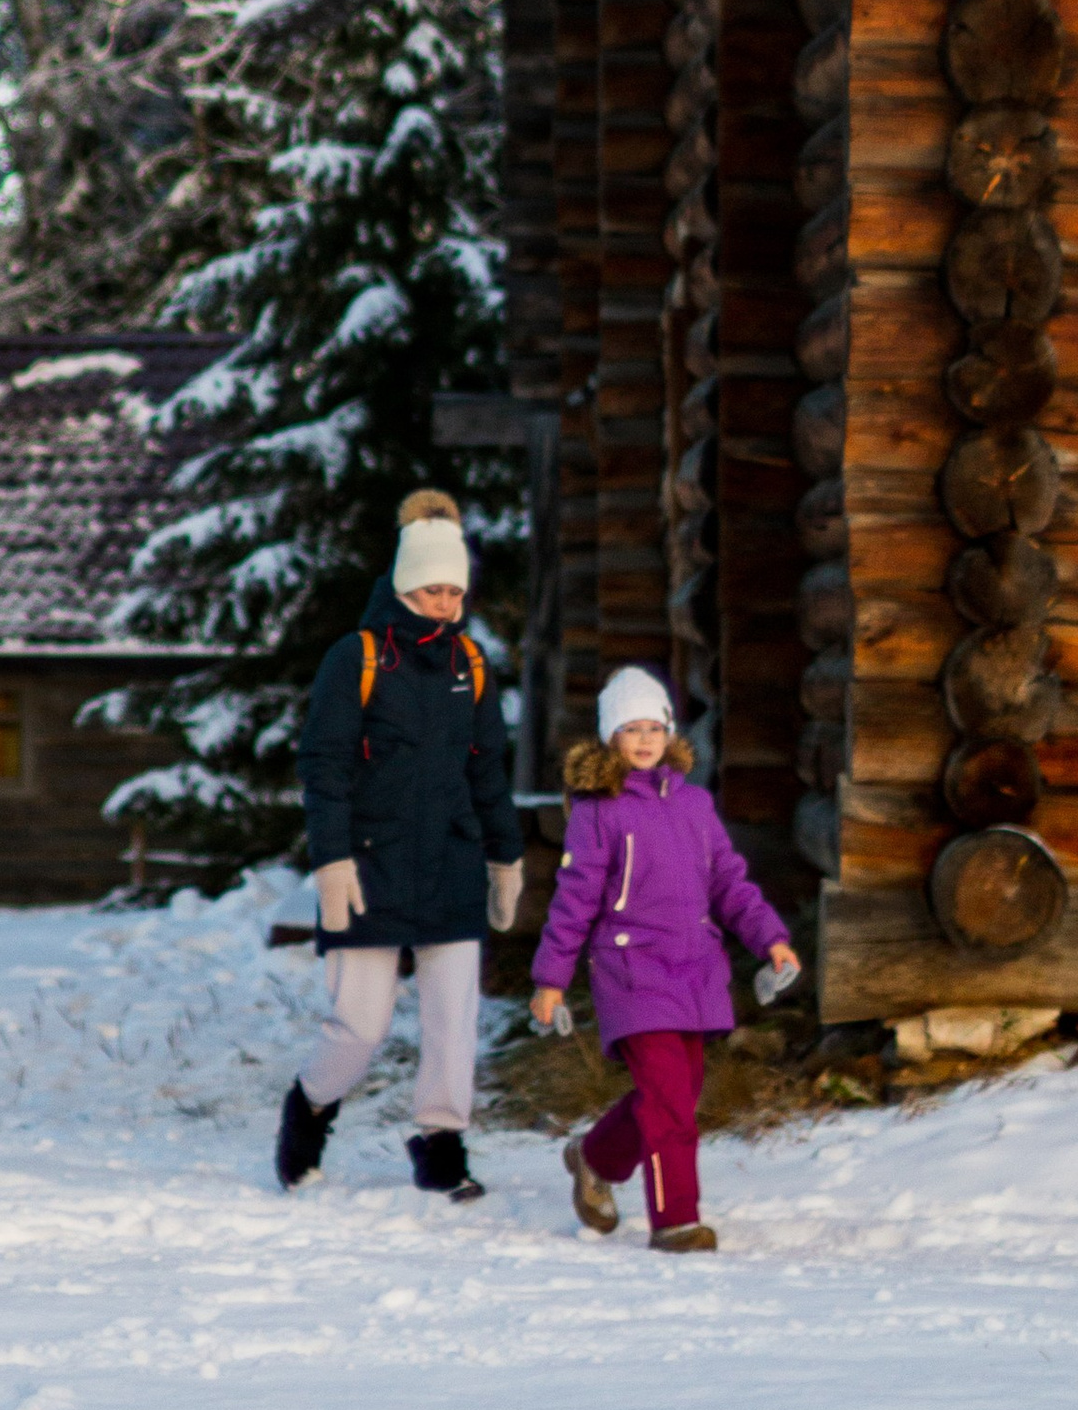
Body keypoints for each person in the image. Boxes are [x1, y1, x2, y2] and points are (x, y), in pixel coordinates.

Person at [276, 491, 523, 1204]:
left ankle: (440, 1142)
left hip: (449, 863)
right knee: (360, 1026)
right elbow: (323, 768)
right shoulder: (353, 659)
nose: (445, 603)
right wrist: (330, 861)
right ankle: (311, 1107)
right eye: (431, 589)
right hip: (368, 866)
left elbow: (487, 770)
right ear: (403, 585)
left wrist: (504, 860)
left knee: (455, 1021)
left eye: (454, 591)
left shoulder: (469, 664)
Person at [528, 663, 799, 1255]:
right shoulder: (599, 811)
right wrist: (551, 977)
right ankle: (675, 1220)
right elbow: (574, 899)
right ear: (611, 738)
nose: (645, 739)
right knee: (669, 1098)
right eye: (631, 729)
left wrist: (769, 938)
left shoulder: (695, 804)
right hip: (631, 969)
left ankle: (594, 1156)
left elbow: (729, 881)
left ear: (670, 732)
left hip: (696, 966)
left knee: (677, 1091)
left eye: (654, 726)